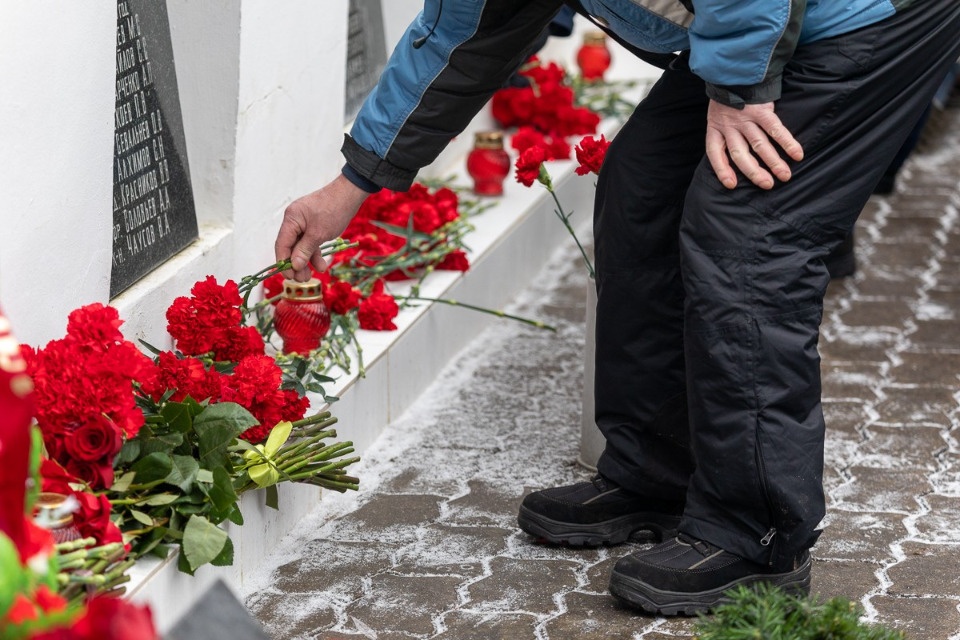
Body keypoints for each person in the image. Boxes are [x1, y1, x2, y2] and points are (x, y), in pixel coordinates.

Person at [275, 0, 960, 616]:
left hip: (862, 19)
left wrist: (741, 87)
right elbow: (461, 33)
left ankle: (754, 534)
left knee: (748, 237)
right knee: (641, 194)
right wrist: (354, 182)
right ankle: (657, 473)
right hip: (756, 24)